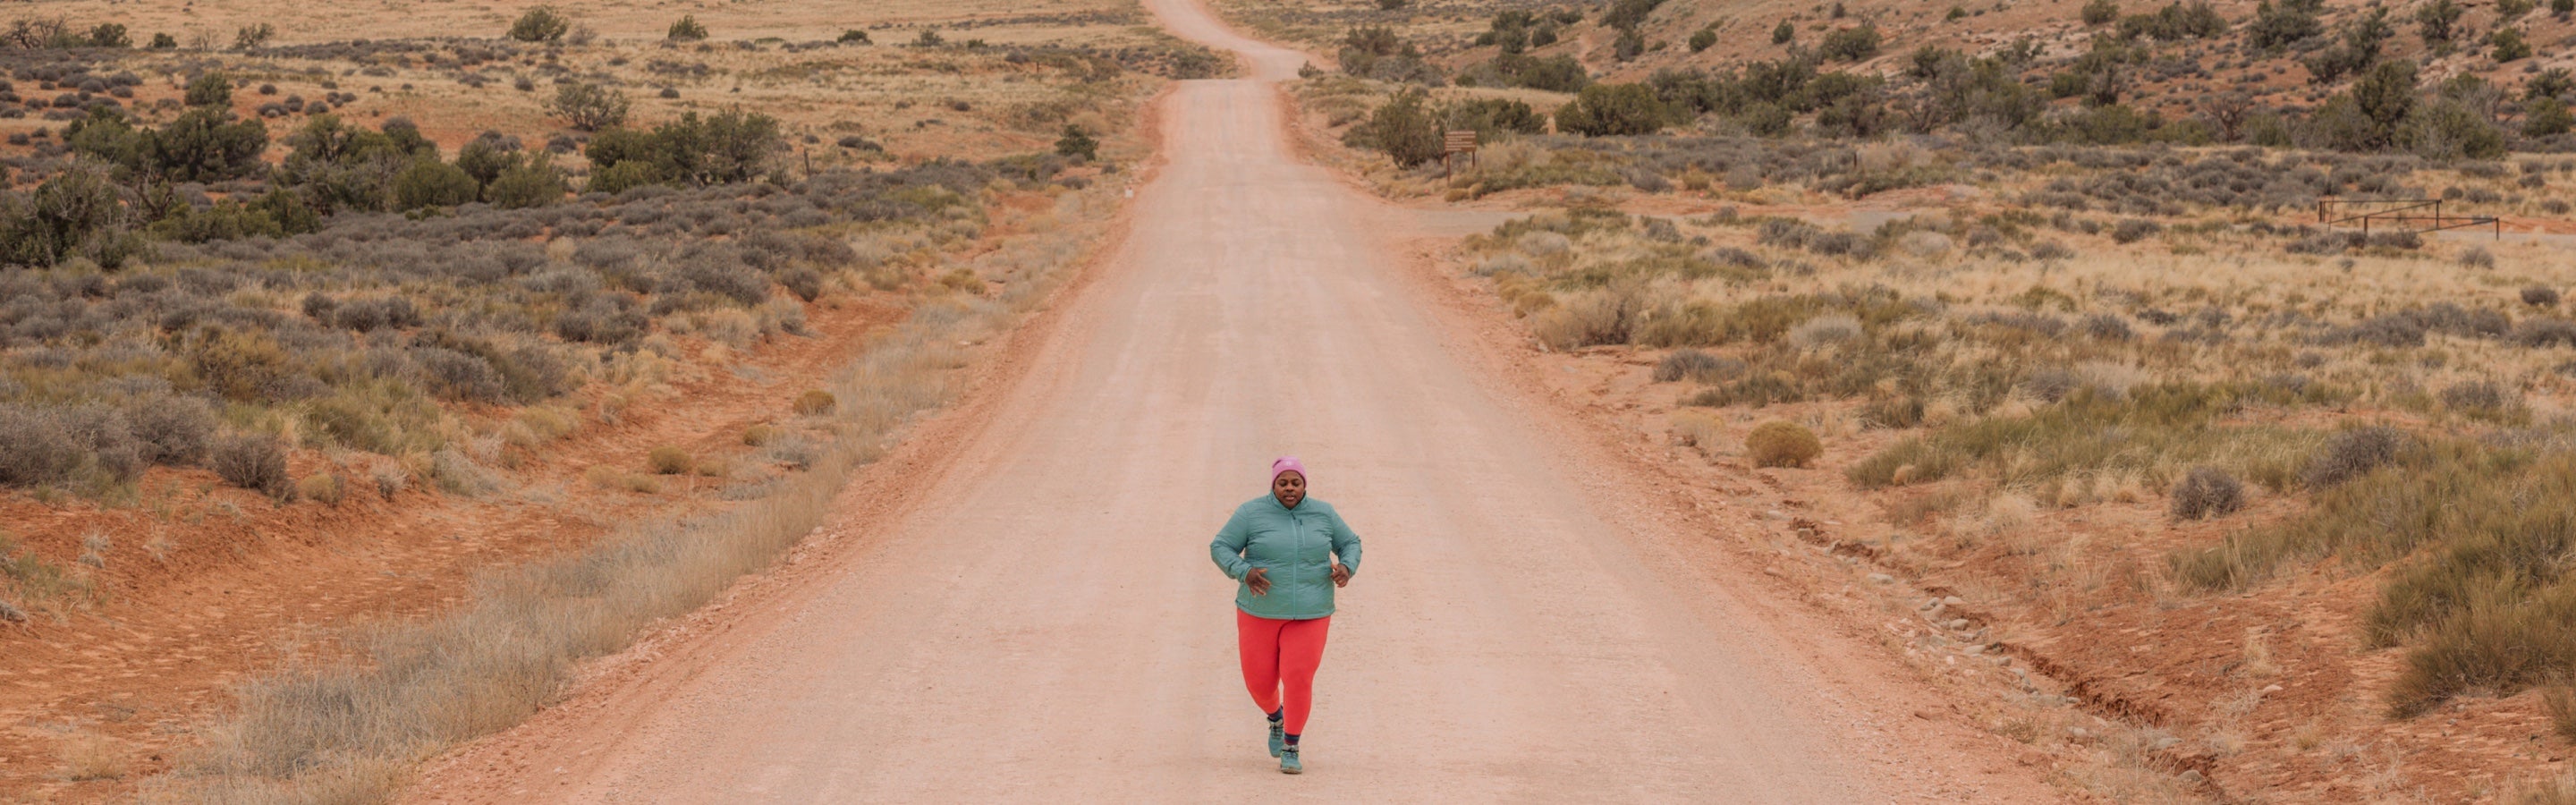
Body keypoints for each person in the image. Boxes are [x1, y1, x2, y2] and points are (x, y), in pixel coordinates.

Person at [1208, 456, 1361, 775]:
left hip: (1311, 611)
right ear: (1273, 484)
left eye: (1296, 482)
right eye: (1283, 482)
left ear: (1305, 485)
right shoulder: (1251, 513)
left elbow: (1350, 542)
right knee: (1260, 684)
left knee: (1298, 676)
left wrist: (1346, 566)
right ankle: (1276, 718)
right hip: (1259, 610)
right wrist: (1243, 571)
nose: (1289, 488)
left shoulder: (1324, 513)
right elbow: (1221, 546)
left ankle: (1292, 744)